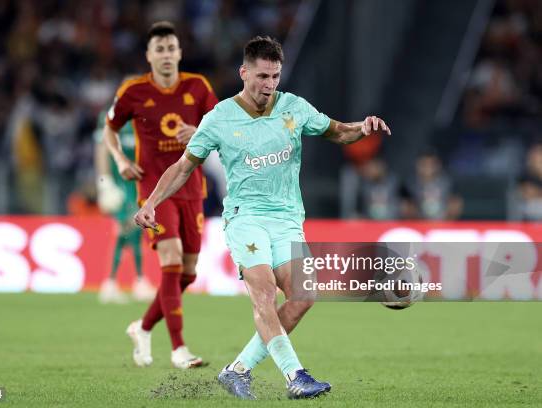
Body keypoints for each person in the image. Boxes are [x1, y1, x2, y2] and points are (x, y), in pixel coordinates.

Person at [134, 36, 391, 399]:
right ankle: (295, 376)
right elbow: (182, 167)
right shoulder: (219, 118)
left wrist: (362, 128)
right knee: (265, 294)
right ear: (244, 73)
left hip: (287, 219)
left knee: (303, 297)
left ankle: (237, 370)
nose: (269, 85)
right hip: (246, 218)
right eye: (262, 76)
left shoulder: (294, 108)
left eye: (275, 76)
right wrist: (151, 203)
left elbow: (337, 132)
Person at [103, 21, 218, 369]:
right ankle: (179, 348)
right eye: (160, 49)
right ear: (149, 56)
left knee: (188, 272)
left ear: (180, 53)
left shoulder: (198, 87)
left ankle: (143, 326)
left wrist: (199, 131)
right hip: (153, 189)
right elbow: (109, 129)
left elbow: (223, 127)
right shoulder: (132, 91)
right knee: (170, 260)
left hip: (192, 187)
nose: (167, 55)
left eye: (171, 48)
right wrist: (120, 159)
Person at [94, 106, 155, 304]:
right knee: (131, 229)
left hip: (136, 184)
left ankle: (112, 284)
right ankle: (136, 282)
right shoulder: (111, 117)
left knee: (129, 232)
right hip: (120, 184)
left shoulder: (143, 119)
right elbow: (102, 149)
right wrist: (105, 182)